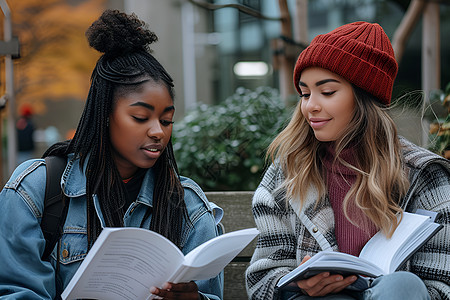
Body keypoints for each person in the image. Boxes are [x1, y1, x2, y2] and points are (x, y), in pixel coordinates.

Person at [0, 10, 223, 300]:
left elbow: (210, 294)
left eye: (166, 120)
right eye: (141, 117)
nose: (158, 132)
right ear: (105, 115)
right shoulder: (36, 189)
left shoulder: (188, 206)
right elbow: (17, 291)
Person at [245, 21, 450, 300]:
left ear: (365, 97)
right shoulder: (287, 173)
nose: (310, 106)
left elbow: (442, 285)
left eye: (327, 92)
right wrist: (296, 284)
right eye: (304, 94)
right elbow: (261, 280)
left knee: (402, 285)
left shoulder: (424, 175)